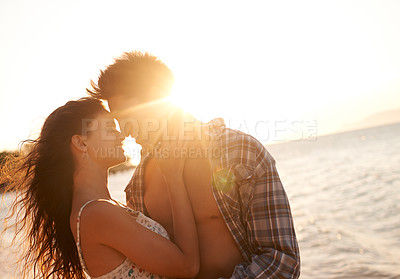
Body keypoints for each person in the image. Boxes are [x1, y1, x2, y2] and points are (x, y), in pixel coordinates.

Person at [87, 51, 301, 279]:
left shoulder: (240, 153)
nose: (126, 131)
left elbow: (282, 261)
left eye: (126, 117)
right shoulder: (139, 185)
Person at [1, 98, 199, 279]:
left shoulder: (98, 210)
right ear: (81, 142)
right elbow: (187, 267)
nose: (121, 135)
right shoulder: (97, 214)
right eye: (110, 129)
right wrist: (173, 177)